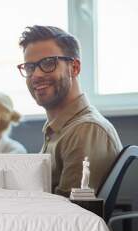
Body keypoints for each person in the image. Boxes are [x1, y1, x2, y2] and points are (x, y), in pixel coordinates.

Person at [17, 25, 122, 196]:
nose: (35, 75)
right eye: (29, 67)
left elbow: (71, 217)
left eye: (48, 63)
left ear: (74, 68)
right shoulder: (59, 129)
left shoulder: (85, 130)